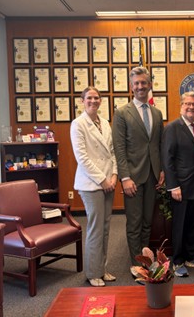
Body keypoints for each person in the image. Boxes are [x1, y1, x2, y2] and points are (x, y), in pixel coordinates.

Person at [112, 66, 164, 266]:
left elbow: (158, 145)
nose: (140, 86)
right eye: (137, 83)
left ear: (149, 85)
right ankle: (136, 264)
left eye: (144, 82)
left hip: (151, 176)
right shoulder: (122, 113)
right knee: (134, 223)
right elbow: (119, 148)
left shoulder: (157, 113)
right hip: (132, 177)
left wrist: (161, 170)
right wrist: (124, 178)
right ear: (131, 86)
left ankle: (145, 260)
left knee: (147, 222)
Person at [70, 86, 118, 287]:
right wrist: (102, 179)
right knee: (95, 228)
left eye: (96, 97)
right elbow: (82, 158)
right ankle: (92, 273)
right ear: (82, 101)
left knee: (106, 228)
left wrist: (114, 174)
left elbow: (112, 152)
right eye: (89, 98)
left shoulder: (105, 123)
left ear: (101, 100)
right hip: (91, 184)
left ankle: (102, 268)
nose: (93, 101)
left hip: (108, 181)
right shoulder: (78, 124)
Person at [161, 91, 194, 277]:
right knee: (180, 225)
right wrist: (173, 186)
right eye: (187, 104)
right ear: (181, 106)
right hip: (181, 187)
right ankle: (178, 260)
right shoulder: (172, 128)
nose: (191, 107)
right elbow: (168, 159)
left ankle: (193, 257)